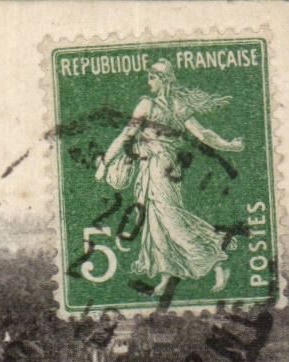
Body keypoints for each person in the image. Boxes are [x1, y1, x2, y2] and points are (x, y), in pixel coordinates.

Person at [95, 60, 244, 294]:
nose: (148, 82)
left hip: (162, 168)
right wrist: (107, 160)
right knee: (155, 222)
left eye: (152, 77)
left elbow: (202, 134)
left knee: (170, 219)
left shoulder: (159, 105)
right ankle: (166, 277)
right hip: (156, 167)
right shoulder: (164, 105)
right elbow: (128, 133)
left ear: (163, 80)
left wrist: (230, 146)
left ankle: (217, 262)